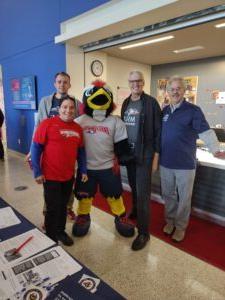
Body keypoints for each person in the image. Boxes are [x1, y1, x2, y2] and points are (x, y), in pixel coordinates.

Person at [160, 76, 225, 242]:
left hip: (185, 165)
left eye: (178, 89)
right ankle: (170, 221)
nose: (175, 92)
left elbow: (205, 131)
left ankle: (180, 227)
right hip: (165, 162)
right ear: (167, 92)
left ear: (184, 91)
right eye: (172, 89)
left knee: (184, 198)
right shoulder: (164, 111)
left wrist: (215, 149)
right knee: (168, 195)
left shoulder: (193, 110)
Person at [72, 80, 135, 239]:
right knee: (84, 194)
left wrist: (125, 157)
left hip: (108, 166)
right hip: (86, 168)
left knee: (114, 194)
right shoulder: (79, 122)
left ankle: (120, 215)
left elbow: (121, 145)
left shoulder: (115, 121)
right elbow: (71, 146)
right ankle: (83, 216)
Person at [31, 96, 87, 245]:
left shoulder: (77, 128)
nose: (68, 110)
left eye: (71, 107)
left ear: (75, 110)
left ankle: (60, 231)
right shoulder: (47, 124)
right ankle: (51, 237)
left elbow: (81, 152)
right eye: (65, 107)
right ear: (59, 108)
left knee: (64, 206)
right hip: (50, 176)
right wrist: (37, 172)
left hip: (68, 176)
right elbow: (36, 148)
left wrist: (84, 170)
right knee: (52, 207)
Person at [27, 72, 80, 220]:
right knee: (50, 185)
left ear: (69, 85)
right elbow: (38, 126)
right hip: (50, 149)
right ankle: (48, 214)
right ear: (54, 84)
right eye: (59, 82)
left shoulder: (76, 102)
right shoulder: (45, 101)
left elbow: (78, 124)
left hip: (69, 150)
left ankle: (67, 208)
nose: (62, 84)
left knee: (69, 182)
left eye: (65, 82)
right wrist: (32, 149)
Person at [121, 71, 162, 251]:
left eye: (138, 81)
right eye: (132, 81)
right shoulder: (126, 102)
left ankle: (144, 233)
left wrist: (156, 157)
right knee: (133, 187)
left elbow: (159, 133)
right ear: (129, 83)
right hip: (129, 155)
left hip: (144, 155)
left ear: (143, 83)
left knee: (143, 193)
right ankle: (136, 211)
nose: (135, 84)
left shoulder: (151, 103)